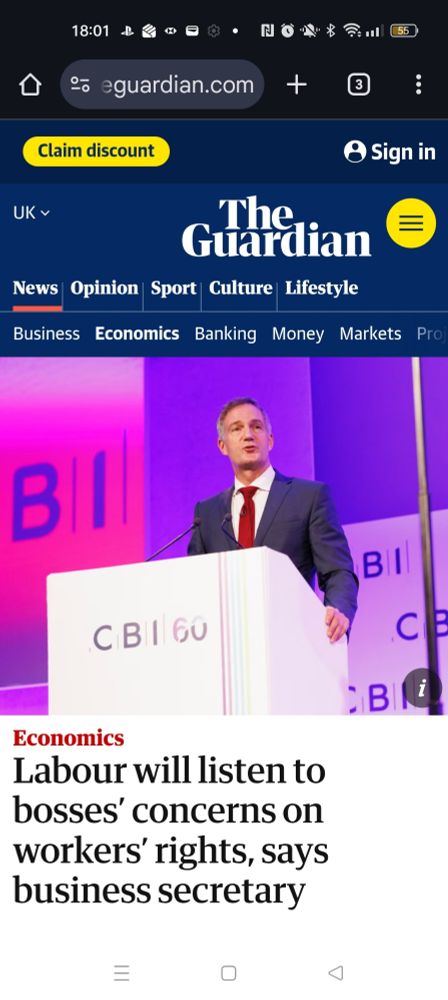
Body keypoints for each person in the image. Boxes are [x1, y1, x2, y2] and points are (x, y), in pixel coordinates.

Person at [188, 397, 358, 641]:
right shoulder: (207, 514)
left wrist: (338, 611)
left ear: (270, 440)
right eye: (236, 428)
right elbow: (196, 586)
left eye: (256, 426)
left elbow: (338, 571)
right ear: (222, 445)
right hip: (226, 648)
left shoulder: (308, 497)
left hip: (292, 641)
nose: (248, 434)